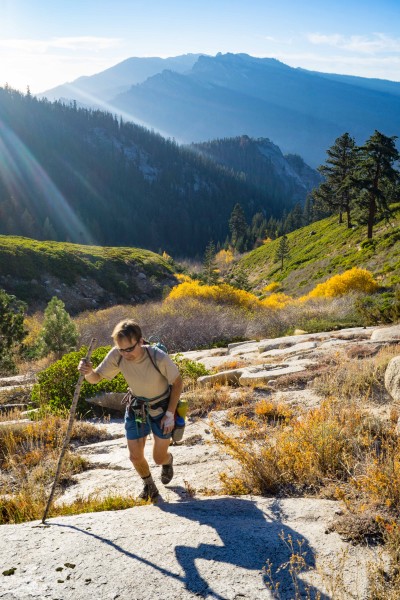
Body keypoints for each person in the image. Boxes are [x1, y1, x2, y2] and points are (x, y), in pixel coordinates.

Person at [78, 320, 183, 501]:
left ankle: (168, 461)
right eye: (121, 349)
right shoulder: (116, 356)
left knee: (159, 458)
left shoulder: (157, 356)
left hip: (162, 408)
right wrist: (88, 371)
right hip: (137, 408)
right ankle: (149, 486)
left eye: (129, 349)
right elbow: (96, 378)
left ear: (140, 341)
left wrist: (170, 414)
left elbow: (178, 382)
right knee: (135, 456)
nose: (125, 354)